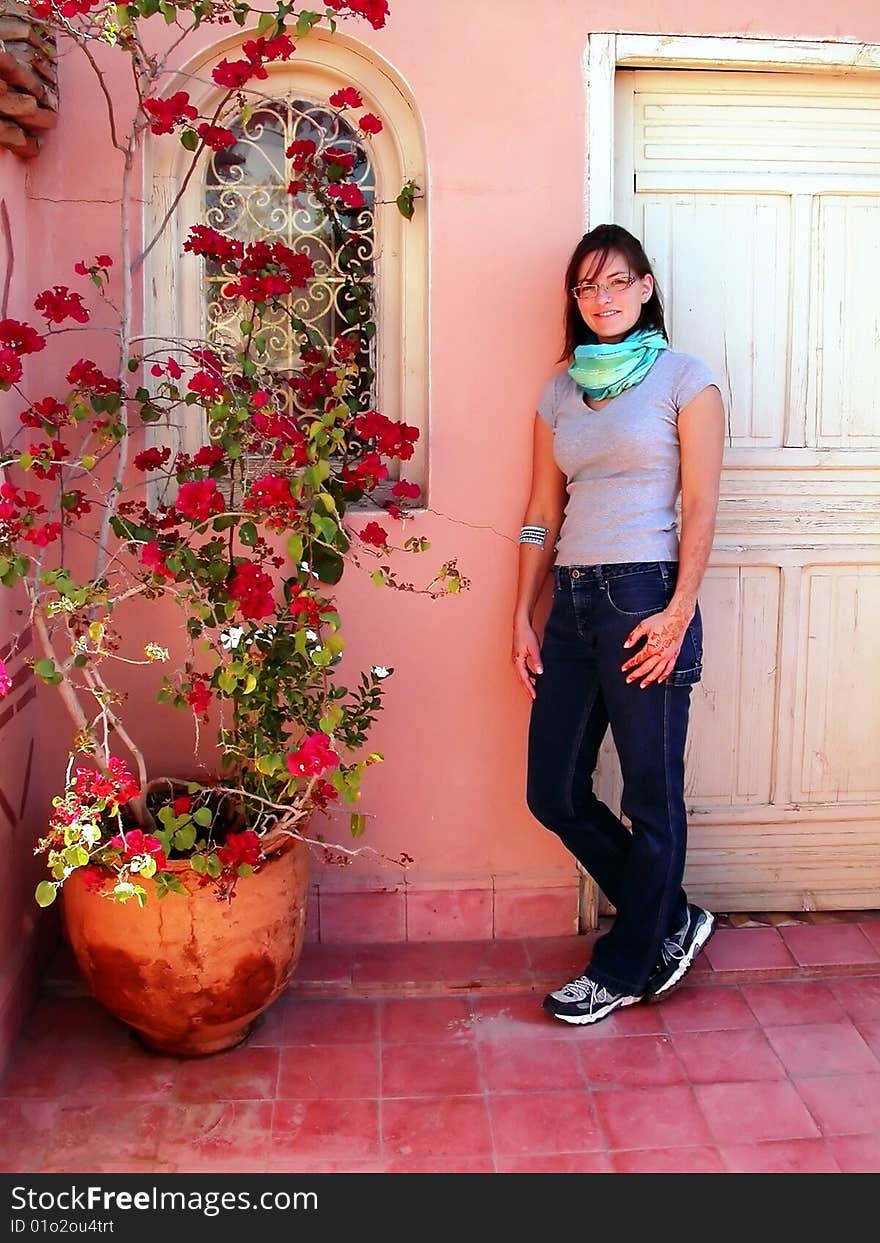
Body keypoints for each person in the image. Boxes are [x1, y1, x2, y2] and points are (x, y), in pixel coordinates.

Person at [513, 223, 725, 1026]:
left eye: (616, 282)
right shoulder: (561, 389)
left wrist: (678, 612)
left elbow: (701, 503)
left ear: (644, 287)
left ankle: (626, 965)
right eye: (586, 286)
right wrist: (520, 616)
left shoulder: (685, 378)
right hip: (568, 602)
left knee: (651, 794)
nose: (601, 298)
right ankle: (668, 917)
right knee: (555, 791)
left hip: (645, 596)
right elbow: (541, 509)